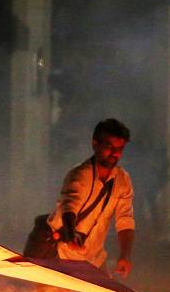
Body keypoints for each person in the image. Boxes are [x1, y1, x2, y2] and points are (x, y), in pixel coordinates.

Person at [26, 118, 135, 278]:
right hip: (61, 256)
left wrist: (125, 255)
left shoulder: (123, 180)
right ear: (95, 144)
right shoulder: (80, 174)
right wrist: (71, 237)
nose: (115, 153)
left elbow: (125, 220)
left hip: (94, 259)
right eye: (109, 147)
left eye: (120, 148)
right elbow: (69, 208)